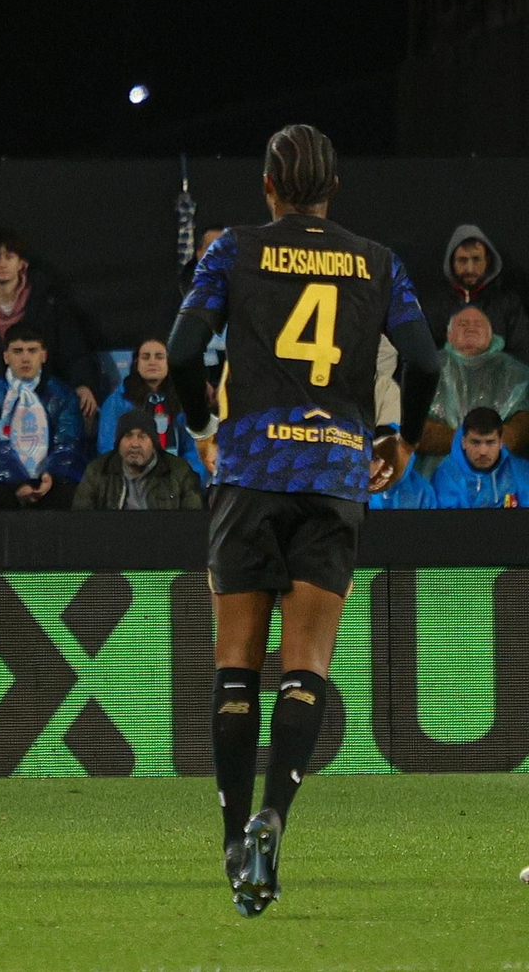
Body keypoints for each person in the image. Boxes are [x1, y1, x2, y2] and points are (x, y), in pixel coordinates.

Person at [165, 124, 440, 917]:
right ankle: (272, 817)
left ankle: (229, 839)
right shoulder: (376, 261)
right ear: (335, 190)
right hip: (332, 471)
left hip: (251, 472)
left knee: (235, 665)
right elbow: (423, 362)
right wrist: (403, 437)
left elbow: (183, 353)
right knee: (306, 664)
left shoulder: (233, 250)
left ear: (268, 188)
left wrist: (201, 428)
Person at [0, 225, 99, 415]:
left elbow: (74, 350)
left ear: (21, 263)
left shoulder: (48, 301)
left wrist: (83, 384)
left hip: (45, 398)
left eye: (9, 257)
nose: (2, 264)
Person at [0, 324, 88, 509]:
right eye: (17, 351)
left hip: (49, 479)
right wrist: (16, 482)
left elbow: (68, 442)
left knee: (68, 492)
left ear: (43, 355)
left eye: (32, 350)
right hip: (3, 480)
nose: (25, 358)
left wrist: (50, 477)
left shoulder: (62, 394)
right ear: (6, 356)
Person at [418, 307, 529, 458]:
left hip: (501, 466)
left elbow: (523, 421)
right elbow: (410, 421)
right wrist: (457, 440)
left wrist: (494, 442)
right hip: (437, 469)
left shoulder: (515, 373)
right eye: (462, 324)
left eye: (478, 324)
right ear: (449, 335)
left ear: (491, 335)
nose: (471, 328)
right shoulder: (426, 369)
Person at [96, 337, 208, 482]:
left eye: (159, 357)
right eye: (146, 357)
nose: (152, 362)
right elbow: (107, 449)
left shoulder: (182, 399)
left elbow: (194, 450)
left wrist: (187, 478)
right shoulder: (117, 402)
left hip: (174, 482)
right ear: (137, 363)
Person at [422, 224, 529, 362]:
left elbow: (523, 354)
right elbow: (423, 359)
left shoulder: (508, 304)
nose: (470, 269)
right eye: (462, 260)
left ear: (488, 260)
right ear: (451, 262)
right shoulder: (434, 305)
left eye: (476, 259)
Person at [72, 408, 204, 510]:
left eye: (142, 436)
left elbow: (192, 521)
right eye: (128, 436)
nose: (134, 444)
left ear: (154, 444)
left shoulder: (179, 471)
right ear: (118, 443)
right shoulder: (97, 470)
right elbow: (81, 520)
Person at [431, 407, 529, 508]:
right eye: (475, 443)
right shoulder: (447, 475)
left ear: (500, 442)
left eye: (490, 442)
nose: (483, 452)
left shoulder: (520, 470)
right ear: (463, 442)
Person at [366, 426, 437, 510]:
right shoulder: (356, 486)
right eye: (375, 459)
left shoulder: (422, 491)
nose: (385, 465)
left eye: (392, 457)